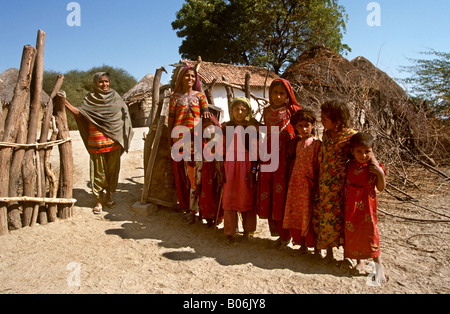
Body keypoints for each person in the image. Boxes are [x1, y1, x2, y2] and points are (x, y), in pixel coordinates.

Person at [64, 72, 134, 214]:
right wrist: (65, 103)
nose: (104, 84)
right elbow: (80, 113)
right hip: (96, 143)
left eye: (107, 81)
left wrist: (124, 136)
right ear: (96, 83)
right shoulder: (90, 98)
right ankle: (99, 201)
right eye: (101, 82)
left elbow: (124, 117)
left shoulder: (116, 97)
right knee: (98, 173)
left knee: (112, 172)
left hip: (114, 143)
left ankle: (109, 196)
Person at [257, 78, 301, 249]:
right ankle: (278, 234)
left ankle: (287, 235)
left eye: (282, 93)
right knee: (270, 191)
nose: (278, 96)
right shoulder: (267, 111)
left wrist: (293, 143)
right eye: (275, 92)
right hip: (269, 153)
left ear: (288, 95)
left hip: (287, 155)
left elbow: (301, 131)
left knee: (283, 193)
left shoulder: (294, 110)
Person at [312, 99, 357, 262]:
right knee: (323, 218)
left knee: (340, 219)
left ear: (337, 121)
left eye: (325, 119)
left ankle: (347, 255)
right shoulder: (326, 134)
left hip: (340, 186)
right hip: (323, 184)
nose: (321, 122)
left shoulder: (351, 137)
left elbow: (357, 160)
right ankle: (327, 251)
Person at [344, 132, 387, 283]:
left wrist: (380, 174)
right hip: (350, 204)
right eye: (359, 152)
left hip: (367, 204)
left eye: (367, 151)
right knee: (353, 231)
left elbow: (380, 188)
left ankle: (379, 267)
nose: (363, 155)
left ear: (372, 151)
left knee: (370, 233)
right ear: (352, 151)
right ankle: (359, 262)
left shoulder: (374, 167)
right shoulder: (349, 165)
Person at [168, 66, 210, 218]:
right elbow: (171, 119)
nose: (190, 79)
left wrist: (205, 111)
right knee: (183, 175)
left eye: (193, 76)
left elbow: (205, 109)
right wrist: (169, 139)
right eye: (187, 76)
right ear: (181, 78)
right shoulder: (174, 98)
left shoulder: (200, 96)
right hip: (179, 139)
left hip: (196, 140)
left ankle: (199, 208)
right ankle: (187, 206)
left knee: (197, 174)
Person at [283, 109, 321, 255]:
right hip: (296, 185)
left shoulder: (317, 144)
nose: (304, 129)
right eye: (300, 126)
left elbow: (318, 165)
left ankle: (316, 247)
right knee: (298, 214)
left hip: (309, 184)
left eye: (307, 125)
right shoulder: (296, 144)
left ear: (312, 125)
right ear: (295, 127)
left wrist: (314, 182)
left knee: (311, 215)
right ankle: (302, 244)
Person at [221, 97, 258, 244]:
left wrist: (253, 170)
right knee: (229, 199)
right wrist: (220, 169)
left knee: (246, 198)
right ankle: (230, 231)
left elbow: (256, 151)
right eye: (237, 109)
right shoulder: (226, 127)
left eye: (243, 109)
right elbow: (221, 149)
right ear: (232, 111)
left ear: (248, 111)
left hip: (246, 167)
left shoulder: (251, 128)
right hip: (229, 167)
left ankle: (247, 231)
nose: (239, 112)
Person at [198, 115, 224, 228]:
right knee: (206, 196)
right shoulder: (202, 142)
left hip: (217, 172)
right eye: (204, 127)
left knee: (217, 196)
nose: (207, 130)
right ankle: (208, 218)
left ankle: (217, 218)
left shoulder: (220, 141)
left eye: (210, 127)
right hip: (205, 173)